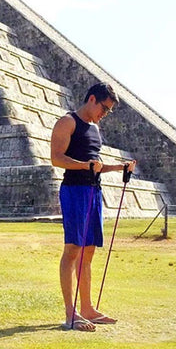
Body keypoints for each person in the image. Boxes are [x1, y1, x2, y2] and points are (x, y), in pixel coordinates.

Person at [50, 82, 136, 332]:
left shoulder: (95, 129)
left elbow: (95, 164)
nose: (105, 114)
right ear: (91, 99)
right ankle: (71, 314)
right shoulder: (67, 122)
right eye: (104, 108)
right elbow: (57, 158)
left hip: (93, 192)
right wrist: (86, 166)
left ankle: (87, 308)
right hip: (74, 191)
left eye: (108, 111)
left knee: (88, 251)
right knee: (73, 250)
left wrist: (120, 168)